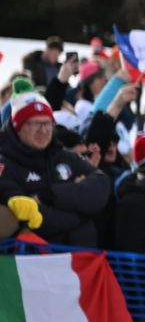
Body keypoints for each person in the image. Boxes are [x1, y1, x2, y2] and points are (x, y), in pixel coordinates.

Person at [0, 94, 110, 248]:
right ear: (18, 126)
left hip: (83, 261)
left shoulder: (65, 156)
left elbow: (102, 186)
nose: (44, 130)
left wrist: (49, 196)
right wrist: (82, 212)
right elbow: (33, 220)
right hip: (37, 264)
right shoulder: (5, 166)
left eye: (48, 123)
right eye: (35, 124)